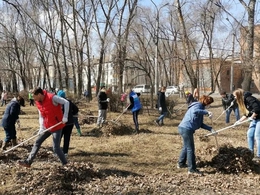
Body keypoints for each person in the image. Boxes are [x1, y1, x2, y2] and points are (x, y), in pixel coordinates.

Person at [18, 87, 69, 168]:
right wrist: (42, 127)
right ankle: (28, 161)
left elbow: (66, 102)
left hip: (57, 126)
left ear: (39, 94)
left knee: (56, 148)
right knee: (37, 142)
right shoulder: (38, 102)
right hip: (47, 126)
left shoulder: (52, 97)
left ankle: (66, 164)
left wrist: (65, 116)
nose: (33, 98)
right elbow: (41, 115)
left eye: (34, 96)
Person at [177, 95, 215, 175]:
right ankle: (192, 169)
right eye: (209, 104)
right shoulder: (197, 106)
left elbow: (200, 124)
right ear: (206, 103)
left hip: (184, 128)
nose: (209, 106)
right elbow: (195, 111)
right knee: (190, 149)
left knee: (186, 147)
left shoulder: (201, 108)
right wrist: (207, 112)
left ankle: (181, 164)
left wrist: (210, 129)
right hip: (186, 129)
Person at [233, 89, 260, 161]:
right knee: (250, 134)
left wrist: (251, 117)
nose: (234, 98)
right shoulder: (244, 101)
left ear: (238, 95)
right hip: (255, 119)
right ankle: (250, 153)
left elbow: (257, 109)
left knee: (257, 136)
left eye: (235, 96)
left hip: (259, 119)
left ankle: (258, 155)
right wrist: (238, 121)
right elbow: (246, 114)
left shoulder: (249, 98)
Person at [57, 90, 80, 155]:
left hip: (61, 123)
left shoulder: (58, 103)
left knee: (58, 138)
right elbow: (76, 109)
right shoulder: (69, 102)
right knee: (67, 137)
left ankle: (57, 151)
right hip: (70, 123)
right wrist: (71, 113)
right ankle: (65, 152)